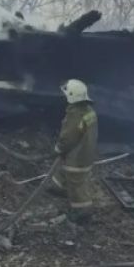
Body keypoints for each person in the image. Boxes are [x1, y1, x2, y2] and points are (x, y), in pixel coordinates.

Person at [49, 79, 99, 218]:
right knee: (63, 171)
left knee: (76, 183)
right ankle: (59, 188)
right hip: (86, 151)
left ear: (71, 96)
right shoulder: (88, 110)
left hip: (77, 156)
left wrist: (59, 148)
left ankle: (83, 211)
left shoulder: (75, 114)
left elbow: (68, 137)